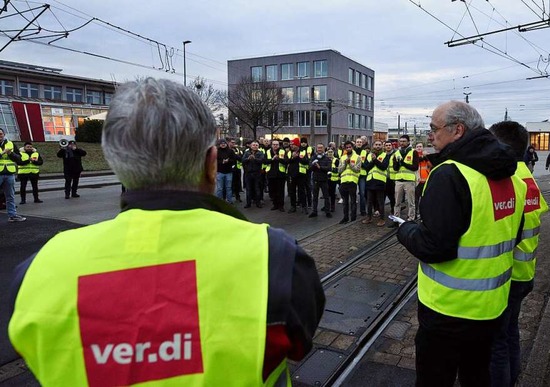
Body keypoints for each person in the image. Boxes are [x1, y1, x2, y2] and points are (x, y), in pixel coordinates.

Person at [8, 78, 325, 386]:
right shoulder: (276, 259)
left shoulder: (37, 273)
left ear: (118, 163)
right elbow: (298, 344)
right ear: (211, 163)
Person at [396, 101, 526, 387]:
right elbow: (513, 237)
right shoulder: (514, 177)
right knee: (477, 377)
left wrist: (405, 230)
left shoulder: (450, 174)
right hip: (492, 308)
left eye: (434, 128)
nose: (430, 135)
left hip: (447, 311)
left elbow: (434, 247)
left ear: (458, 130)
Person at [488, 121, 549, 387]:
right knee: (511, 332)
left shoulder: (508, 180)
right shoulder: (526, 176)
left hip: (507, 275)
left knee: (496, 343)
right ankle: (513, 378)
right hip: (525, 271)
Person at [0, 128, 27, 222]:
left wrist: (11, 153)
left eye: (0, 134)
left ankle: (12, 215)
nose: (0, 136)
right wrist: (2, 153)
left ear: (4, 134)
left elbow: (19, 159)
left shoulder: (10, 144)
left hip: (9, 174)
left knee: (10, 196)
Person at [362, 140, 390, 227]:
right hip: (370, 180)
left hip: (380, 181)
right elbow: (366, 167)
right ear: (373, 146)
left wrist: (375, 160)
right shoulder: (369, 155)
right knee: (369, 201)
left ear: (382, 146)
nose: (377, 146)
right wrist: (373, 161)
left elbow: (383, 166)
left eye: (379, 145)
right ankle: (369, 217)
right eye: (376, 144)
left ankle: (382, 219)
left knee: (380, 201)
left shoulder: (385, 155)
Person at [392, 134, 418, 222]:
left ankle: (411, 219)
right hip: (399, 180)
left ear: (408, 142)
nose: (402, 143)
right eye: (401, 141)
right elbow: (395, 168)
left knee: (411, 202)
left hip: (409, 180)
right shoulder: (396, 153)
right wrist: (398, 164)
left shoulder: (413, 152)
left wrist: (403, 163)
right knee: (397, 202)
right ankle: (397, 220)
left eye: (404, 141)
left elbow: (415, 167)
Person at [338, 140, 361, 224]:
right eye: (347, 147)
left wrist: (350, 164)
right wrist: (344, 163)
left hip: (352, 181)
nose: (348, 148)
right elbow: (339, 170)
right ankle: (345, 217)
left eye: (350, 147)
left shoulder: (357, 157)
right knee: (345, 202)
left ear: (352, 147)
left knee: (353, 201)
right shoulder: (342, 157)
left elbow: (357, 169)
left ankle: (353, 217)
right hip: (344, 182)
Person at [309, 143, 332, 218]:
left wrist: (320, 167)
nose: (319, 149)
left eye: (321, 148)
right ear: (316, 149)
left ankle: (328, 212)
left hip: (324, 180)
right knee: (315, 197)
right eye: (318, 148)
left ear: (323, 148)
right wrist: (313, 166)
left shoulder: (327, 158)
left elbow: (329, 168)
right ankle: (314, 211)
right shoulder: (313, 157)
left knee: (326, 196)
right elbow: (310, 167)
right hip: (315, 179)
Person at [264, 139, 288, 211]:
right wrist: (272, 159)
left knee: (280, 191)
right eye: (274, 144)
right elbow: (265, 161)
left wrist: (279, 159)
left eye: (276, 144)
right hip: (271, 174)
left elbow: (286, 161)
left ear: (279, 145)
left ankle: (281, 205)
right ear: (271, 145)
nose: (275, 146)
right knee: (272, 190)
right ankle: (275, 204)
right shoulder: (268, 152)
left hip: (280, 174)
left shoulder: (282, 151)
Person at [287, 138, 309, 214]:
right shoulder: (289, 152)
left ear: (296, 145)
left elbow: (306, 161)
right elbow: (286, 161)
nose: (291, 146)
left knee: (302, 191)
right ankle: (293, 206)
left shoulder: (303, 151)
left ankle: (304, 207)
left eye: (292, 144)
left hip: (301, 174)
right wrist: (293, 157)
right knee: (292, 191)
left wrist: (298, 157)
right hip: (292, 174)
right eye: (290, 144)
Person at [241, 140, 265, 208]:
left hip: (257, 173)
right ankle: (248, 203)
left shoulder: (260, 153)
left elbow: (261, 161)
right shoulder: (247, 152)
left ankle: (258, 202)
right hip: (248, 173)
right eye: (253, 145)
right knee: (248, 189)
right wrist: (248, 159)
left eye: (256, 145)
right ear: (251, 146)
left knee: (257, 188)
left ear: (258, 146)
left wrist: (255, 159)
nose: (255, 146)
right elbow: (242, 160)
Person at [215, 138, 235, 204]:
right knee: (219, 188)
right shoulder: (216, 151)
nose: (223, 144)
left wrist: (228, 161)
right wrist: (222, 162)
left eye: (224, 143)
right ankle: (219, 201)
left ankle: (229, 201)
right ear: (219, 144)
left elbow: (233, 160)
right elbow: (214, 161)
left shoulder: (230, 151)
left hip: (228, 171)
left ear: (226, 144)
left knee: (228, 188)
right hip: (219, 171)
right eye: (221, 143)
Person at [414, 142, 432, 213]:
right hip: (417, 181)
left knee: (425, 199)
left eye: (420, 146)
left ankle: (424, 213)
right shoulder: (414, 156)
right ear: (415, 148)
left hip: (425, 181)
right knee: (416, 199)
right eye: (417, 146)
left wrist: (426, 158)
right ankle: (415, 213)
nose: (419, 148)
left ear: (423, 147)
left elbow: (430, 165)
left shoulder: (426, 155)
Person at [353, 137, 368, 216]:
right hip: (353, 174)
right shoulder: (352, 152)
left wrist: (361, 163)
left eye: (360, 142)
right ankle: (353, 211)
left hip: (362, 175)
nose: (359, 143)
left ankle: (363, 211)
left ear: (362, 143)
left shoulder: (365, 152)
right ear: (355, 143)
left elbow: (367, 164)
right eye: (357, 142)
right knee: (353, 194)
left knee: (362, 193)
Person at [229, 138, 243, 203]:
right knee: (230, 184)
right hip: (230, 168)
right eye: (232, 142)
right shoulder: (227, 150)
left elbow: (240, 157)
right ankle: (229, 197)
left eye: (234, 142)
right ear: (228, 143)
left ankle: (237, 196)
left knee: (237, 183)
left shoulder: (237, 149)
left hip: (237, 168)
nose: (233, 144)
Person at [327, 148, 339, 213]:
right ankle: (326, 206)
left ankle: (332, 206)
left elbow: (338, 169)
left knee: (332, 193)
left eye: (331, 152)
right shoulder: (325, 159)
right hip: (326, 179)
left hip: (333, 179)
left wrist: (331, 169)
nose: (330, 153)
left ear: (333, 153)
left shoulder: (336, 160)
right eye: (329, 152)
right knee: (326, 193)